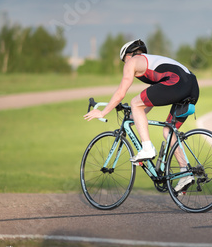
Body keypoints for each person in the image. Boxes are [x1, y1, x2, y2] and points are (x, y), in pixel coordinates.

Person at [83, 39, 199, 192]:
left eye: (124, 61)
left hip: (176, 82)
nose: (125, 65)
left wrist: (103, 112)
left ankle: (147, 148)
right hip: (192, 86)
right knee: (168, 132)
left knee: (135, 102)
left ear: (128, 55)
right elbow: (151, 99)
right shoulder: (153, 63)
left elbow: (120, 93)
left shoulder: (132, 62)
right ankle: (185, 173)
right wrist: (136, 115)